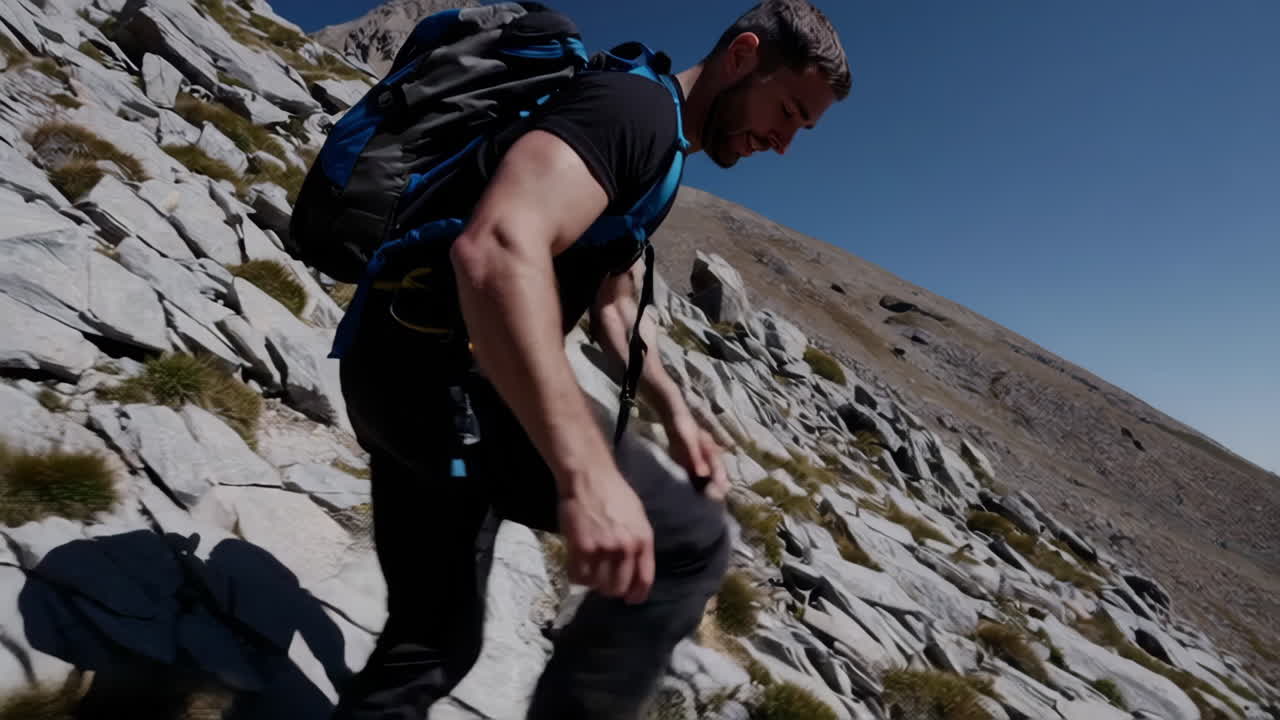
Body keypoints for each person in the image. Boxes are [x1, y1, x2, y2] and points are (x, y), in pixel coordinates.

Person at [330, 1, 851, 718]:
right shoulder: (630, 112)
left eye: (804, 128)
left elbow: (613, 298)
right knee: (691, 545)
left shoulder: (656, 139)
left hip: (390, 368)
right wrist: (584, 475)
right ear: (743, 56)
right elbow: (494, 249)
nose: (785, 143)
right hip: (447, 392)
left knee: (433, 642)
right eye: (788, 109)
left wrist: (675, 410)